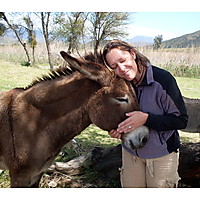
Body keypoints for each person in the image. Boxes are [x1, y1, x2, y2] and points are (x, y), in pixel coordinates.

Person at [102, 39, 188, 188]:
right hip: (130, 154)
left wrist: (146, 119)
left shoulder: (163, 79)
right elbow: (119, 116)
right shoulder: (119, 84)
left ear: (133, 54)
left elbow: (181, 120)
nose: (121, 69)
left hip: (162, 155)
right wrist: (117, 130)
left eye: (123, 60)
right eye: (114, 66)